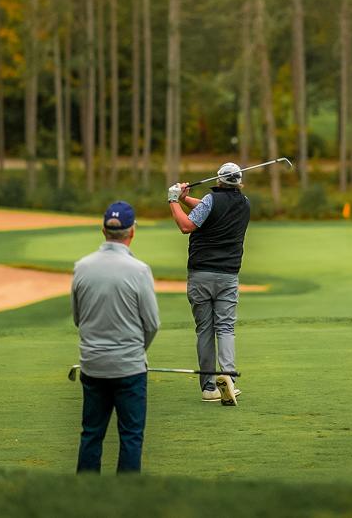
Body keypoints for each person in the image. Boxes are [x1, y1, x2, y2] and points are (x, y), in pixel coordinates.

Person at [70, 201, 160, 474]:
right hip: (129, 367)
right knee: (131, 436)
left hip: (93, 364)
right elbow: (152, 324)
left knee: (91, 434)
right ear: (132, 231)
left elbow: (78, 318)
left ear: (103, 230)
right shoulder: (139, 270)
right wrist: (134, 349)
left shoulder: (82, 267)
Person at [168, 162, 249, 402]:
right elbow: (205, 209)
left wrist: (173, 200)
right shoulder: (245, 204)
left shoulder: (211, 200)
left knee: (204, 329)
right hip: (228, 276)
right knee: (225, 328)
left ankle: (208, 387)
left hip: (201, 274)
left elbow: (186, 225)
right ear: (239, 182)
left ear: (219, 180)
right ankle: (229, 380)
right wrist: (185, 199)